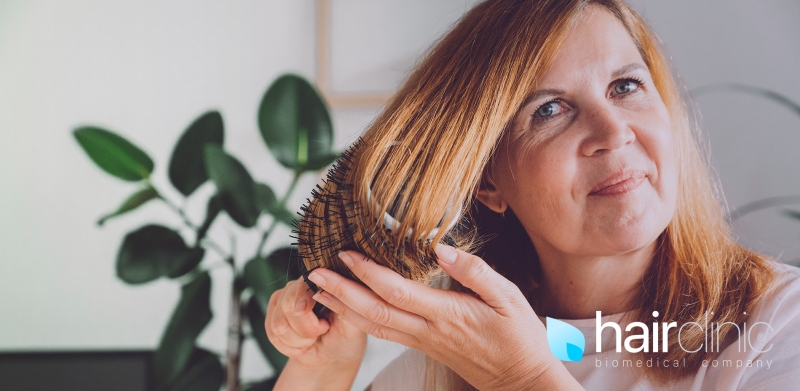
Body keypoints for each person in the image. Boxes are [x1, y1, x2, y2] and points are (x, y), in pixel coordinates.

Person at [265, 0, 800, 389]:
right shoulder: (446, 362)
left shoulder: (779, 324)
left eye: (626, 86)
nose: (614, 132)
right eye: (548, 109)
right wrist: (322, 369)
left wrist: (523, 379)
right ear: (488, 182)